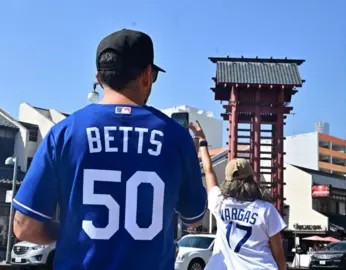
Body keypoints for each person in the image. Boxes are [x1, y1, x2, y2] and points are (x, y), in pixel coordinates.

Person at [11, 29, 207, 269]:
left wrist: (71, 231)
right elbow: (194, 217)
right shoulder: (176, 138)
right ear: (147, 75)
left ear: (99, 78)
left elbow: (25, 226)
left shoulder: (64, 133)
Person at [189, 121, 287, 270]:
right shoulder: (267, 210)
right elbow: (278, 253)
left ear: (228, 181)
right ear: (252, 179)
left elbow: (208, 170)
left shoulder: (219, 203)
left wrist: (201, 139)